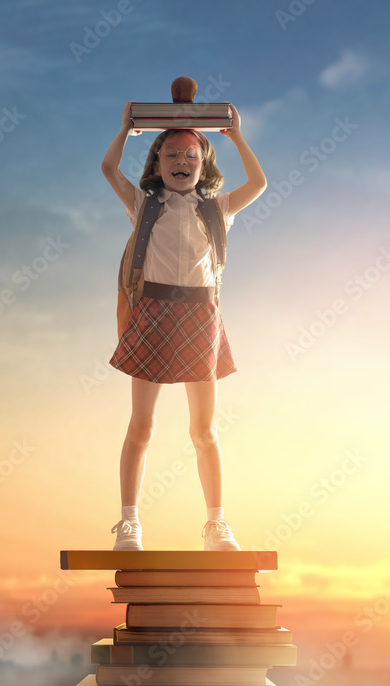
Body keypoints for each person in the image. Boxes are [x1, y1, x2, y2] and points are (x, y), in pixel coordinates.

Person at [101, 100, 266, 551]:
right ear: (156, 162)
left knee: (204, 430)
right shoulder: (143, 205)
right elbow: (108, 168)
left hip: (200, 315)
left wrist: (235, 137)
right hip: (152, 311)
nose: (182, 162)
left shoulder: (218, 209)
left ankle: (216, 524)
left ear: (204, 164)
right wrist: (124, 131)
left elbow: (260, 182)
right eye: (172, 155)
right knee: (142, 425)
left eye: (192, 155)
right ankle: (130, 522)